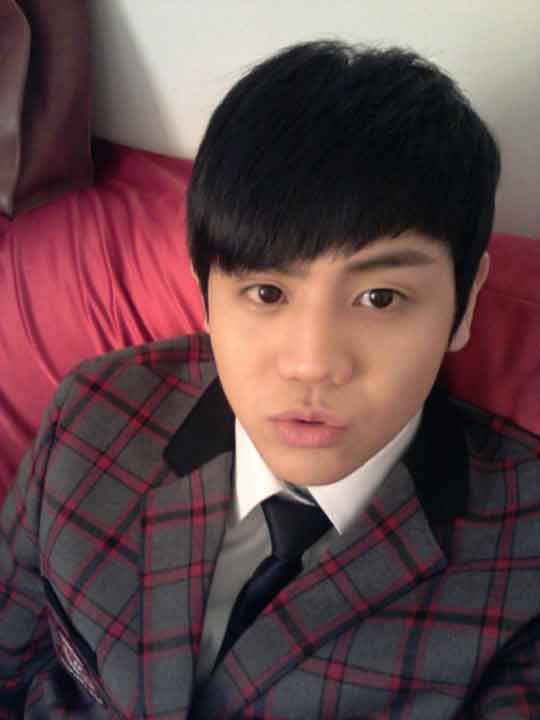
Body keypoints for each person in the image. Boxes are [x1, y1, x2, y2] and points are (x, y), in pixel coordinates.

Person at [1, 40, 539, 719]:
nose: (312, 364)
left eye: (380, 298)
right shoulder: (91, 418)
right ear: (205, 294)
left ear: (465, 302)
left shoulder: (524, 562)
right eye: (265, 292)